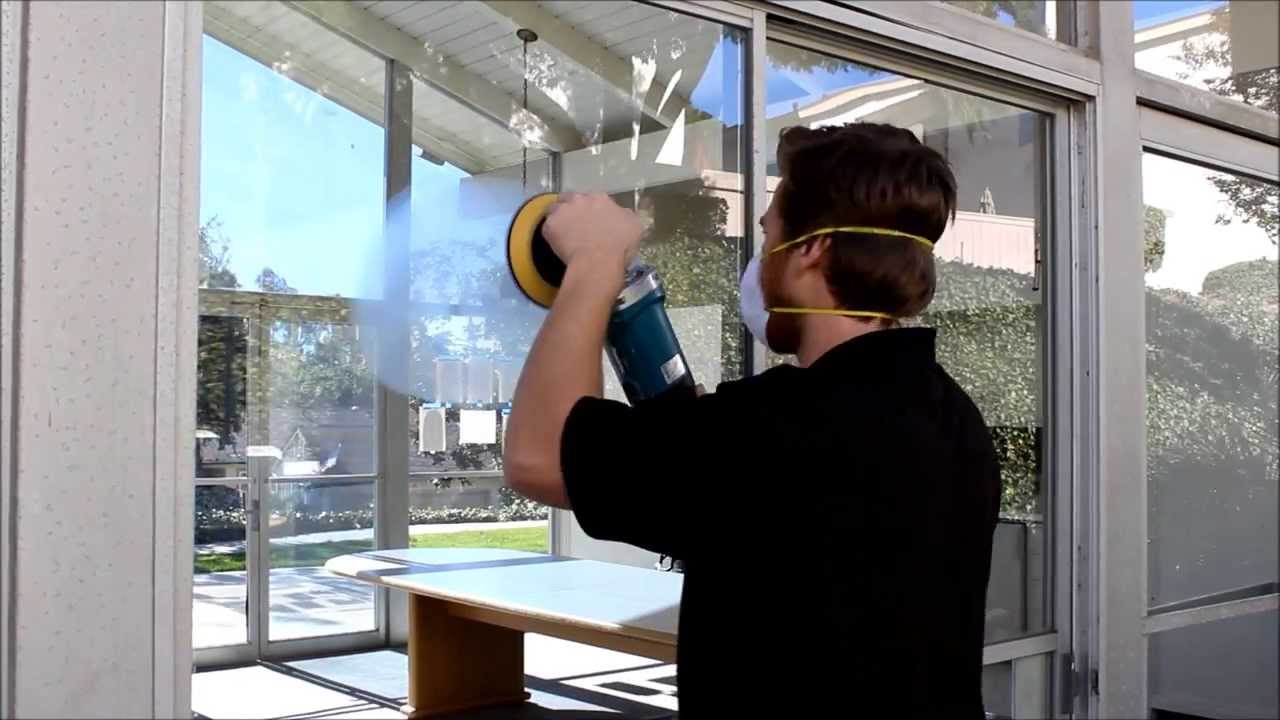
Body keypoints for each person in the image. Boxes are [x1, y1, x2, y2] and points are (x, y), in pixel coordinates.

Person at [504, 122, 1002, 717]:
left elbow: (538, 455)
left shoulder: (771, 429)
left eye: (769, 233)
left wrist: (594, 262)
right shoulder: (953, 418)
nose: (761, 257)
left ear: (812, 249)